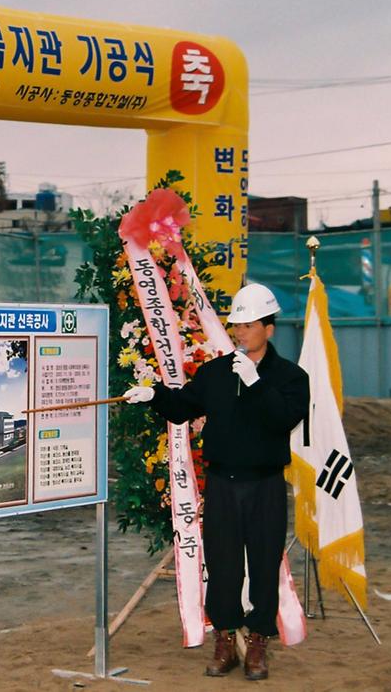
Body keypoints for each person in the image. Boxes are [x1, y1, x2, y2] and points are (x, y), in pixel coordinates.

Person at [123, 283, 309, 681]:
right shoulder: (215, 373)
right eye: (236, 325)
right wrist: (153, 395)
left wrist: (257, 383)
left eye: (249, 325)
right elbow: (182, 408)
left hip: (266, 485)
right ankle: (224, 637)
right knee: (223, 565)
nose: (240, 332)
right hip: (223, 483)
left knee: (263, 563)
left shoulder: (292, 377)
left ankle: (258, 640)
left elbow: (282, 419)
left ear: (269, 328)